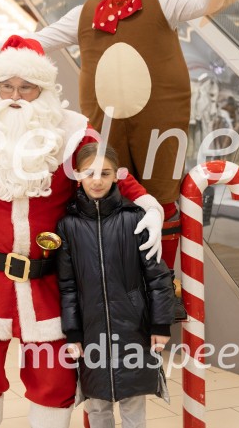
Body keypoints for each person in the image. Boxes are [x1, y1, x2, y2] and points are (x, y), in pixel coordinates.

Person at [0, 0, 239, 269]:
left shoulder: (164, 1)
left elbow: (206, 1)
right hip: (104, 128)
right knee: (105, 198)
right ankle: (112, 280)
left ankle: (163, 283)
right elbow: (34, 42)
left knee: (161, 198)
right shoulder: (84, 13)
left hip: (160, 125)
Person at [0, 36, 163, 428]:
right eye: (7, 86)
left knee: (54, 379)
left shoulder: (73, 133)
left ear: (44, 90)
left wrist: (148, 205)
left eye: (27, 87)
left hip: (49, 284)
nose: (16, 96)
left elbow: (106, 173)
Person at [57, 143, 174, 427]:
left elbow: (158, 277)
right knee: (97, 407)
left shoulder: (135, 218)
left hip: (134, 328)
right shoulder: (67, 226)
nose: (97, 180)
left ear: (116, 176)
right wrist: (72, 332)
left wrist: (161, 325)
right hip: (90, 330)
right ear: (78, 175)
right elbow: (68, 284)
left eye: (105, 173)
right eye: (89, 173)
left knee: (134, 406)